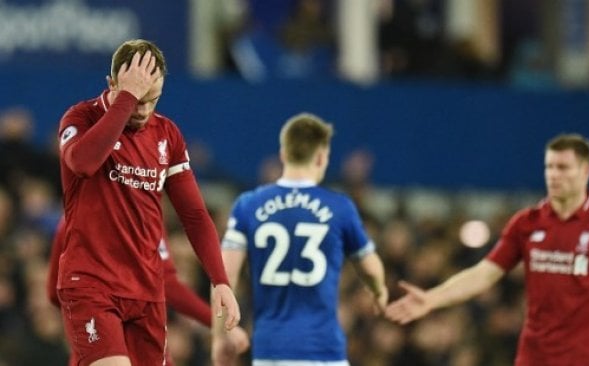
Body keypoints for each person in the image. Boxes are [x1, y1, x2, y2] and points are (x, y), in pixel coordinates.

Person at [386, 133, 589, 366]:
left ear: (586, 171)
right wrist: (433, 299)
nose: (553, 174)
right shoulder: (526, 223)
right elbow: (485, 273)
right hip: (533, 356)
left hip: (585, 358)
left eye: (563, 167)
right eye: (549, 166)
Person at [56, 39, 240, 366]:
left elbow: (195, 215)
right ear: (112, 83)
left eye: (151, 99)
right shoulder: (80, 117)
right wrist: (125, 99)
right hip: (91, 284)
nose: (142, 110)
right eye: (136, 99)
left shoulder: (167, 135)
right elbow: (83, 163)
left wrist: (220, 281)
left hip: (146, 291)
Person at [211, 112, 388, 365]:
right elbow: (371, 268)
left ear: (284, 155)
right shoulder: (340, 208)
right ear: (321, 157)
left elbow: (223, 275)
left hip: (270, 348)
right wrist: (378, 290)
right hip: (323, 349)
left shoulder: (248, 205)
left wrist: (219, 336)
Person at [46, 216, 226, 365]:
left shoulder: (70, 220)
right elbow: (168, 284)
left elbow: (54, 293)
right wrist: (219, 324)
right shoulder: (146, 217)